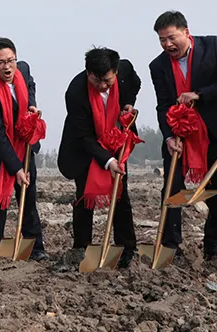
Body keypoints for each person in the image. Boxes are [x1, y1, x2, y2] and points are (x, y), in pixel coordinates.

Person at [149, 11, 217, 263]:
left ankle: (214, 247)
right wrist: (168, 137)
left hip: (214, 131)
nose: (167, 44)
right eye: (162, 40)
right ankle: (170, 248)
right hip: (179, 136)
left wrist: (199, 94)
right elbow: (163, 105)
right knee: (171, 189)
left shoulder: (212, 46)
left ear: (186, 32)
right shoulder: (158, 66)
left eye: (171, 38)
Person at [56, 47, 142, 271]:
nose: (102, 85)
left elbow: (136, 83)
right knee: (85, 196)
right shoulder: (75, 92)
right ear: (88, 73)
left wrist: (128, 103)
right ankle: (81, 248)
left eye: (107, 80)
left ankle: (127, 248)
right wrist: (108, 161)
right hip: (84, 147)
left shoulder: (125, 70)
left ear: (115, 72)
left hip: (116, 139)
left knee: (120, 194)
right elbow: (84, 136)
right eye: (97, 80)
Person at [0, 38, 48, 261]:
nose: (7, 67)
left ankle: (35, 247)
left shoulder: (23, 70)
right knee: (1, 199)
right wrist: (16, 168)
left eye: (10, 60)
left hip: (25, 143)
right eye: (1, 63)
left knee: (28, 196)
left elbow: (31, 85)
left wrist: (31, 104)